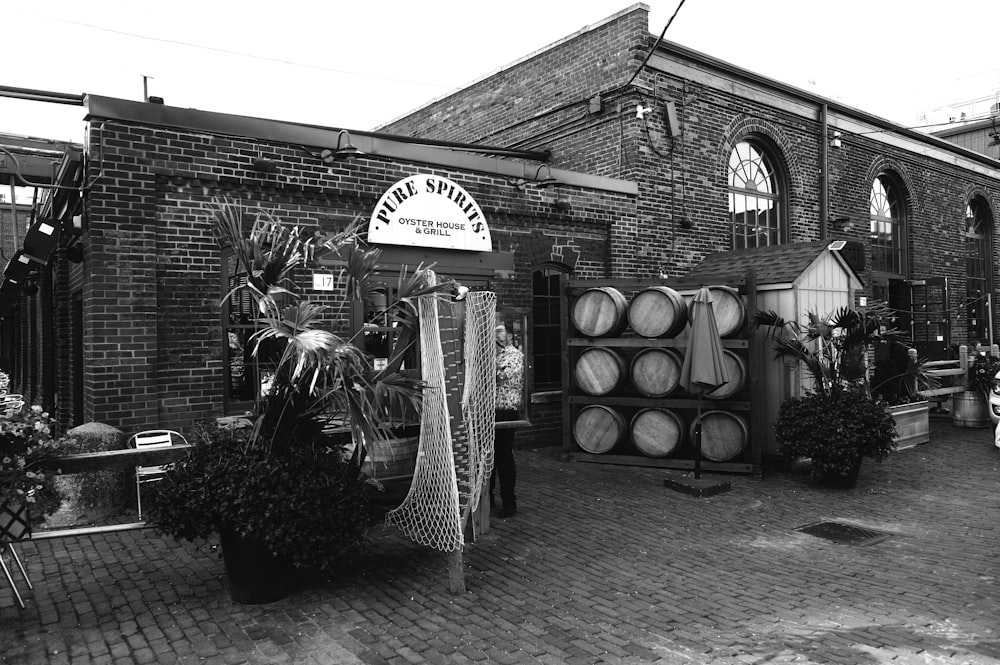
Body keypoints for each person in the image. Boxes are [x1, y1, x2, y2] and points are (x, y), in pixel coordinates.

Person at [492, 321, 523, 518]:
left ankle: (509, 502)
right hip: (490, 410)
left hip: (506, 411)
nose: (496, 335)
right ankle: (488, 497)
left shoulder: (515, 355)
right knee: (490, 456)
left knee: (504, 455)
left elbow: (502, 376)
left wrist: (486, 366)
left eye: (500, 332)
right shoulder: (494, 354)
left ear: (509, 336)